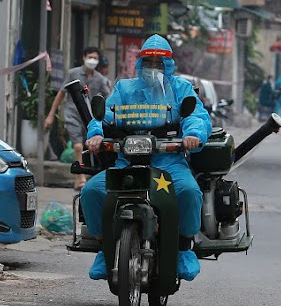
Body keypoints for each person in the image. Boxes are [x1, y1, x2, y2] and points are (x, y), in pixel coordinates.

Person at [80, 34, 211, 282]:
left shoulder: (181, 89)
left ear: (168, 65)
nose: (153, 68)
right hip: (127, 160)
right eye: (148, 62)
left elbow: (196, 116)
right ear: (140, 64)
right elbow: (104, 115)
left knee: (189, 192)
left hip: (168, 161)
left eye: (158, 63)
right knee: (91, 192)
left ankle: (183, 247)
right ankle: (104, 248)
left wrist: (193, 134)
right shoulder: (124, 88)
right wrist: (95, 135)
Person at [44, 47, 111, 189]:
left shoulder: (100, 79)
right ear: (84, 57)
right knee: (78, 146)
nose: (92, 60)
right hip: (73, 113)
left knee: (91, 145)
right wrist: (51, 115)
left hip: (91, 118)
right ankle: (80, 177)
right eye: (90, 57)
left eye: (95, 58)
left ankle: (82, 176)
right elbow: (61, 94)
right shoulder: (73, 73)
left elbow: (109, 97)